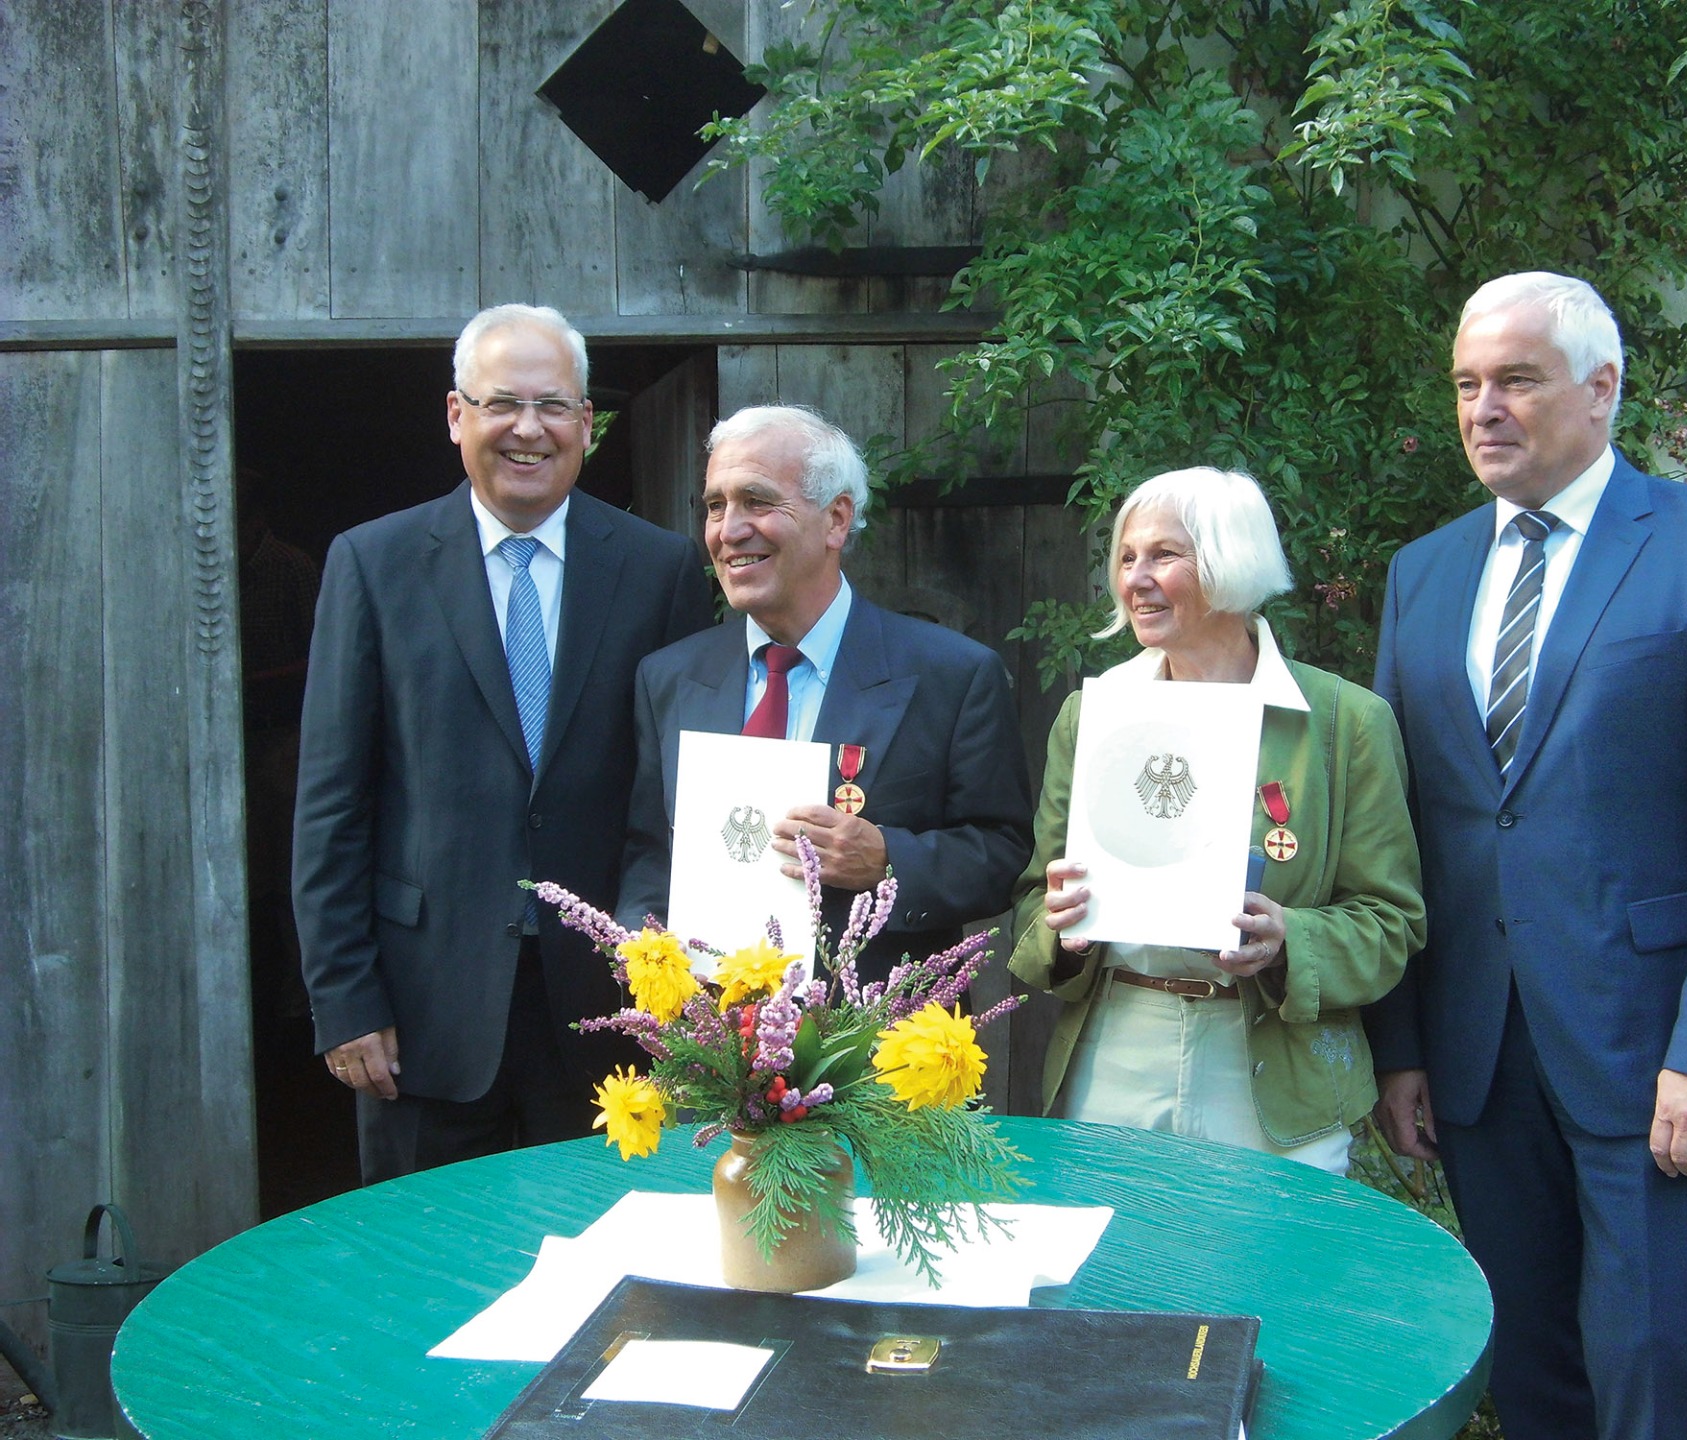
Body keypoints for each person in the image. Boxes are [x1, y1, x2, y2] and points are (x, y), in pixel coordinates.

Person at [1366, 272, 1687, 1439]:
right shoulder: (1425, 573)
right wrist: (1404, 1045)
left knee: (1653, 1375)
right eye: (1468, 384)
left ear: (1603, 389)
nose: (1485, 409)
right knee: (1532, 1379)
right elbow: (1400, 827)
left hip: (1657, 1056)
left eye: (1517, 379)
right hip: (1480, 1053)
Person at [293, 303, 711, 1183]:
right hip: (419, 1011)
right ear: (456, 416)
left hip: (606, 1009)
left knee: (611, 1264)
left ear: (588, 426)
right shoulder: (373, 564)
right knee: (421, 1275)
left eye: (555, 406)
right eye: (502, 404)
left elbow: (673, 799)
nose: (530, 429)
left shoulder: (660, 568)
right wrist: (343, 999)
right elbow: (333, 803)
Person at [1005, 467, 1424, 1174]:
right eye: (1127, 557)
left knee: (1264, 1282)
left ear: (1233, 561)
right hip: (1115, 1061)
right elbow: (1027, 902)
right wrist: (1062, 927)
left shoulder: (1346, 722)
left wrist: (1293, 939)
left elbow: (1394, 921)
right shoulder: (1094, 713)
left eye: (1163, 555)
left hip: (1271, 1073)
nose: (1135, 577)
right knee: (1111, 1283)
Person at [617, 404, 1034, 985]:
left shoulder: (954, 675)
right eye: (716, 505)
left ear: (837, 519)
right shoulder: (667, 677)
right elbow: (647, 854)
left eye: (757, 501)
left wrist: (888, 860)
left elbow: (1003, 854)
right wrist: (646, 953)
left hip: (876, 1054)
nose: (728, 530)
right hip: (705, 1046)